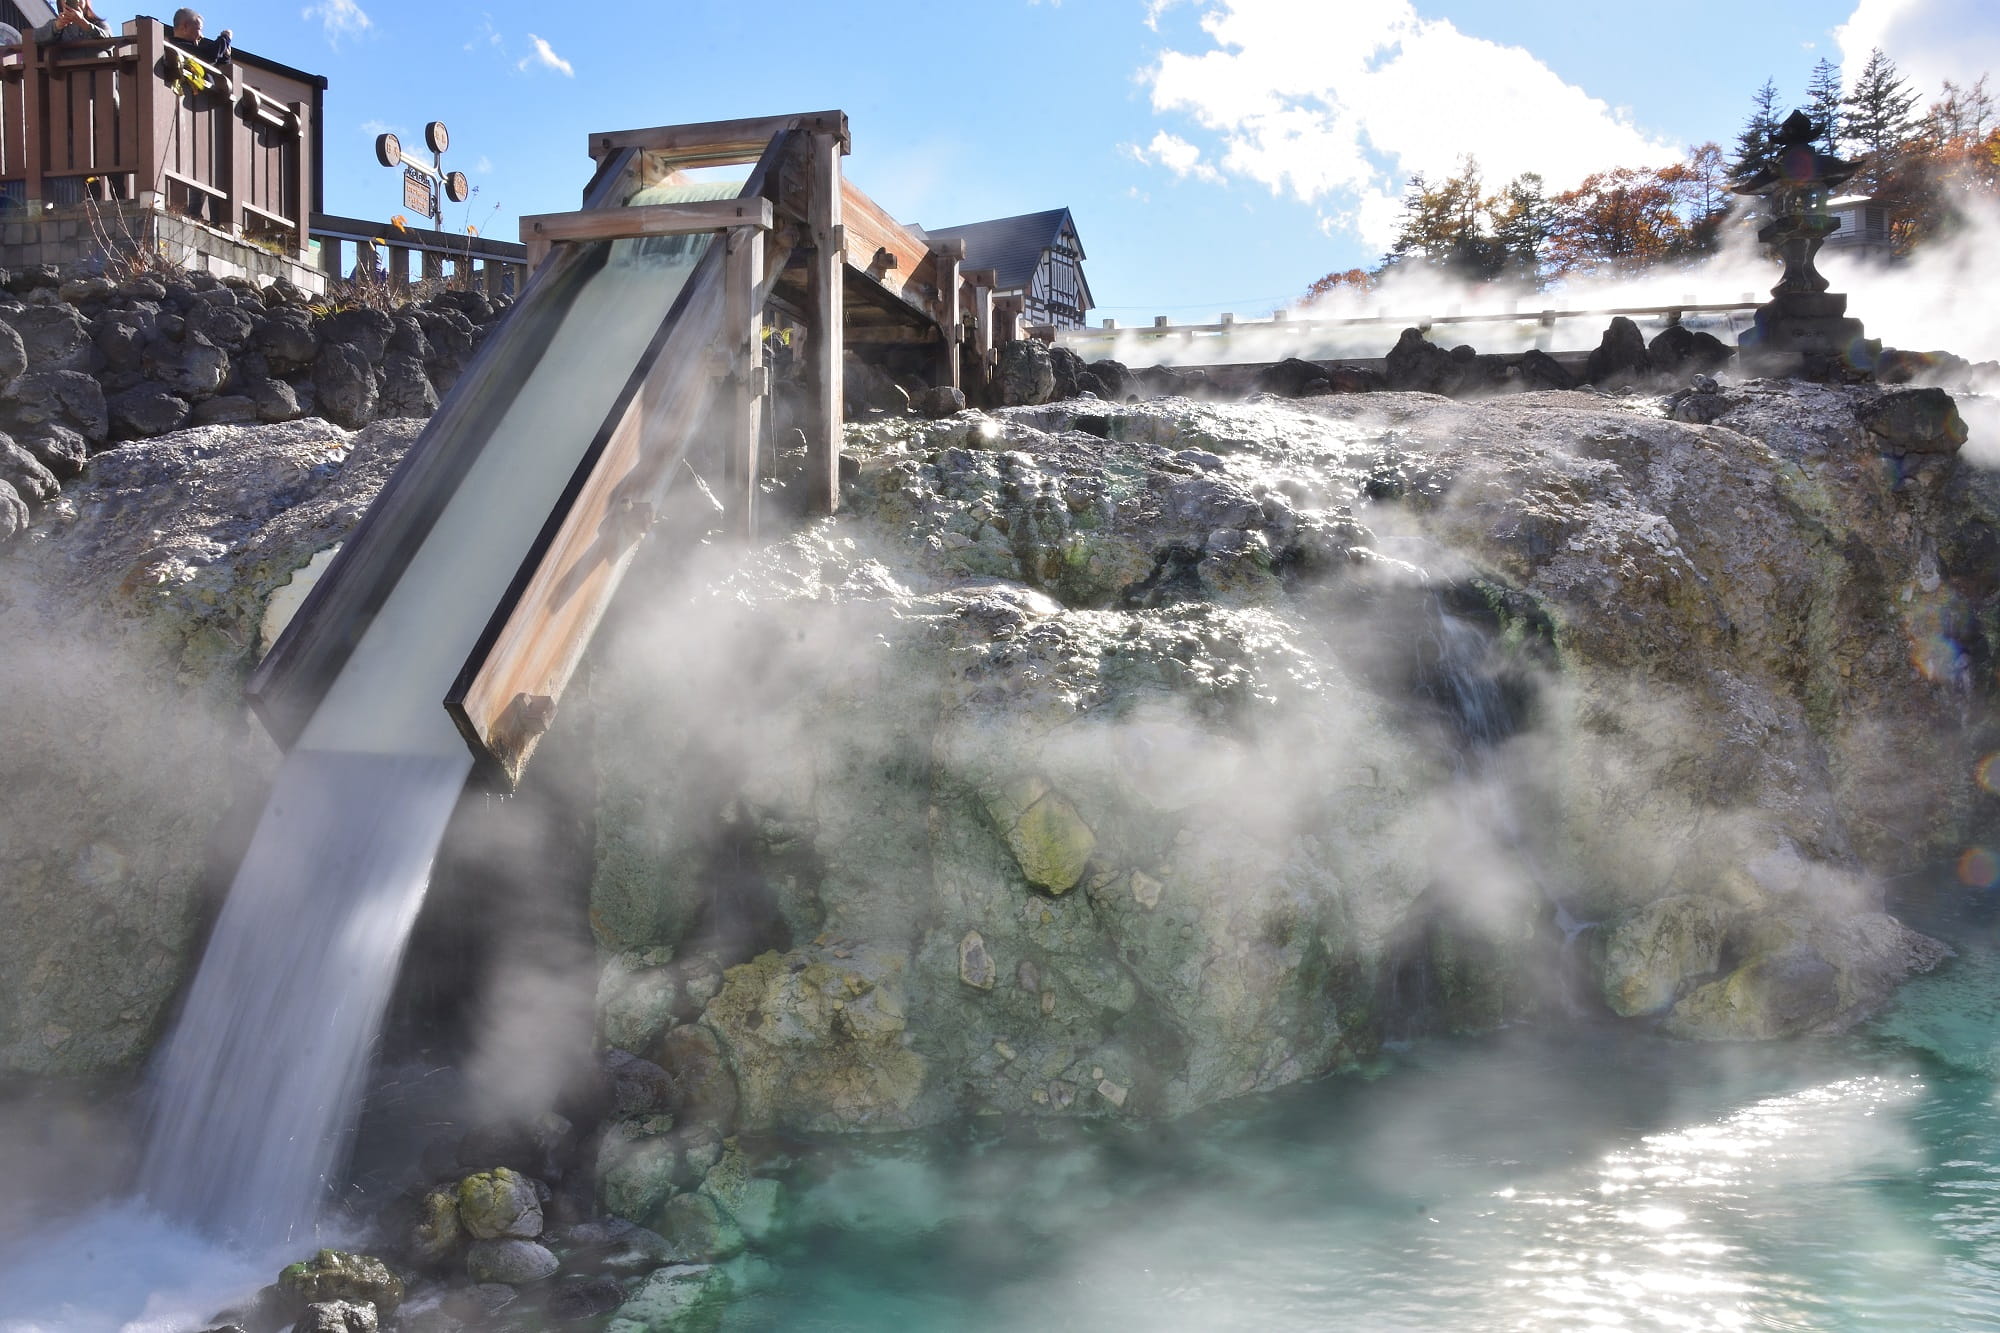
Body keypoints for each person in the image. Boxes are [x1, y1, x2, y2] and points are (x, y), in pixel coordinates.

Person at [33, 0, 110, 43]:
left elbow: (111, 43)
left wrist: (83, 23)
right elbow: (34, 38)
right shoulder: (57, 24)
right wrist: (56, 27)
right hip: (68, 70)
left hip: (99, 70)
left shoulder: (98, 23)